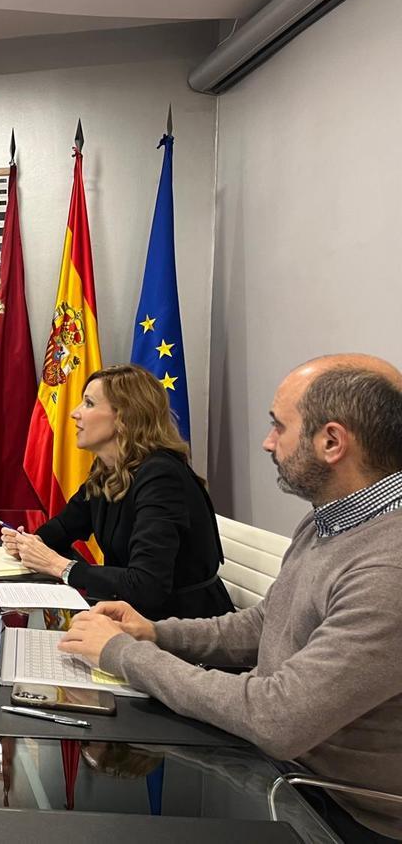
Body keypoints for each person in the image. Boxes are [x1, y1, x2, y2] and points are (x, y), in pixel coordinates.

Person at [60, 354, 402, 843]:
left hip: (333, 810)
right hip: (274, 766)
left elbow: (277, 717)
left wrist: (121, 654)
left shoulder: (388, 568)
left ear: (331, 442)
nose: (268, 442)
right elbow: (263, 624)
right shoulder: (330, 519)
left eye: (278, 427)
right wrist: (154, 632)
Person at [0, 364, 234, 620]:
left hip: (184, 628)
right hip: (132, 615)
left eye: (88, 404)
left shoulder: (161, 477)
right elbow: (65, 528)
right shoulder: (108, 469)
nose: (75, 414)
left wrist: (58, 565)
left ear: (124, 417)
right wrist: (30, 544)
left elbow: (147, 585)